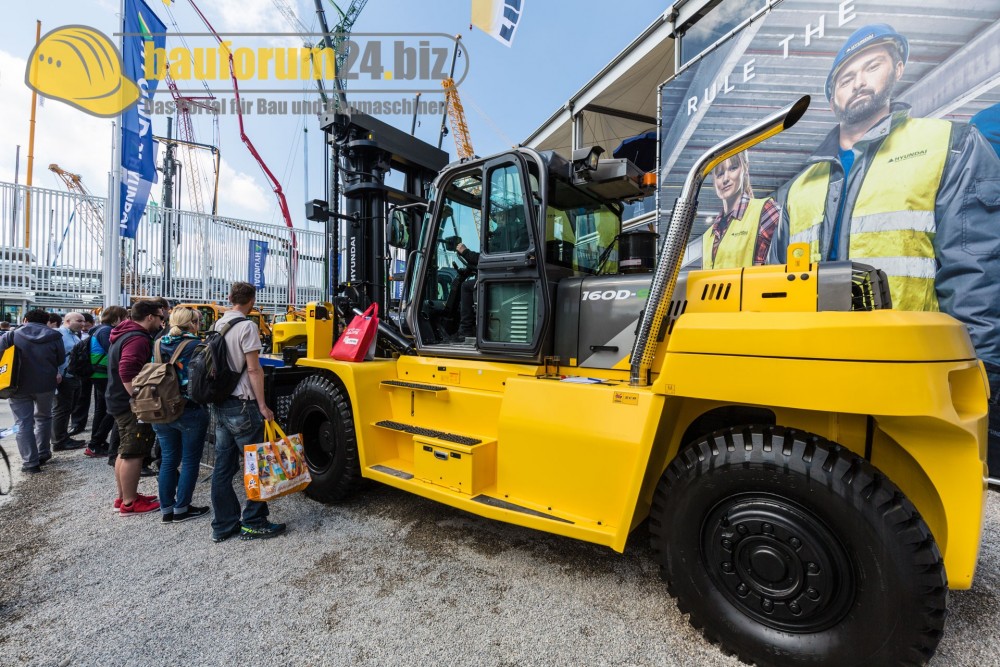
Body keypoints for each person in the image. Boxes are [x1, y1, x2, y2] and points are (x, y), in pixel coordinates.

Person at [768, 23, 1000, 475]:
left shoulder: (947, 147)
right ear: (833, 98)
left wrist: (982, 377)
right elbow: (776, 286)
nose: (858, 82)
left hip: (914, 376)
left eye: (871, 66)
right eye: (845, 77)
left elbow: (976, 271)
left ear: (897, 69)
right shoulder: (801, 186)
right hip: (817, 375)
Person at [210, 282, 285, 542]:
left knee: (223, 467)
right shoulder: (247, 327)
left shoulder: (219, 324)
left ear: (230, 297)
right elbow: (253, 369)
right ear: (251, 301)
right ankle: (254, 521)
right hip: (243, 404)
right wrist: (263, 406)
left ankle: (223, 524)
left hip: (221, 403)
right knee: (255, 465)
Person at [151, 307, 210, 524]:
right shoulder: (198, 346)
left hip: (162, 407)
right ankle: (182, 508)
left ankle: (166, 508)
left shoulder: (159, 343)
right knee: (190, 461)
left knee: (168, 460)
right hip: (189, 409)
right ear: (193, 323)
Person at [105, 300, 162, 516]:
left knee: (125, 450)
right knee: (134, 452)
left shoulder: (124, 333)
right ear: (150, 317)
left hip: (117, 399)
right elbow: (127, 369)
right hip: (129, 403)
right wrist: (139, 399)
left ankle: (124, 497)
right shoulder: (138, 338)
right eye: (160, 317)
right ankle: (129, 503)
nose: (161, 321)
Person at [450, 208, 531, 341]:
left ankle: (465, 330)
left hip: (500, 279)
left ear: (504, 216)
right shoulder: (518, 233)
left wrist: (465, 252)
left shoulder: (504, 233)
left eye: (497, 216)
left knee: (466, 286)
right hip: (508, 275)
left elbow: (486, 258)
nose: (496, 220)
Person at [0, 309, 65, 473]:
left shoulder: (11, 335)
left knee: (23, 423)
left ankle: (30, 463)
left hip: (17, 385)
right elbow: (60, 359)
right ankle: (43, 453)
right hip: (46, 384)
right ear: (46, 321)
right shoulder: (55, 336)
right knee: (44, 418)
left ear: (25, 320)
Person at [698, 151, 779, 269]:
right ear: (714, 181)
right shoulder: (707, 237)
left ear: (745, 168)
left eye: (733, 168)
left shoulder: (765, 211)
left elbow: (778, 267)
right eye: (720, 174)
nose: (725, 179)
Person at [83, 306, 128, 458]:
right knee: (112, 409)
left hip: (99, 373)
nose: (126, 320)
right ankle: (95, 443)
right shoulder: (106, 331)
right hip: (103, 374)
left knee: (102, 409)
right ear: (117, 318)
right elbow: (114, 352)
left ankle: (97, 442)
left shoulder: (99, 329)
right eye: (124, 317)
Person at [50, 312, 86, 452]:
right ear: (68, 321)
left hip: (73, 376)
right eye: (79, 321)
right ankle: (59, 441)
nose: (83, 324)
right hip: (63, 378)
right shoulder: (57, 335)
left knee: (67, 409)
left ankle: (62, 437)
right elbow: (51, 355)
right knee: (61, 409)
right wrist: (56, 372)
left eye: (83, 321)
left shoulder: (75, 336)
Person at [69, 312, 96, 435]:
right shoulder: (74, 334)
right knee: (81, 397)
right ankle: (77, 424)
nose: (84, 327)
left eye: (87, 325)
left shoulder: (96, 334)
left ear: (93, 324)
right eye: (82, 324)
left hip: (94, 369)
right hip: (81, 369)